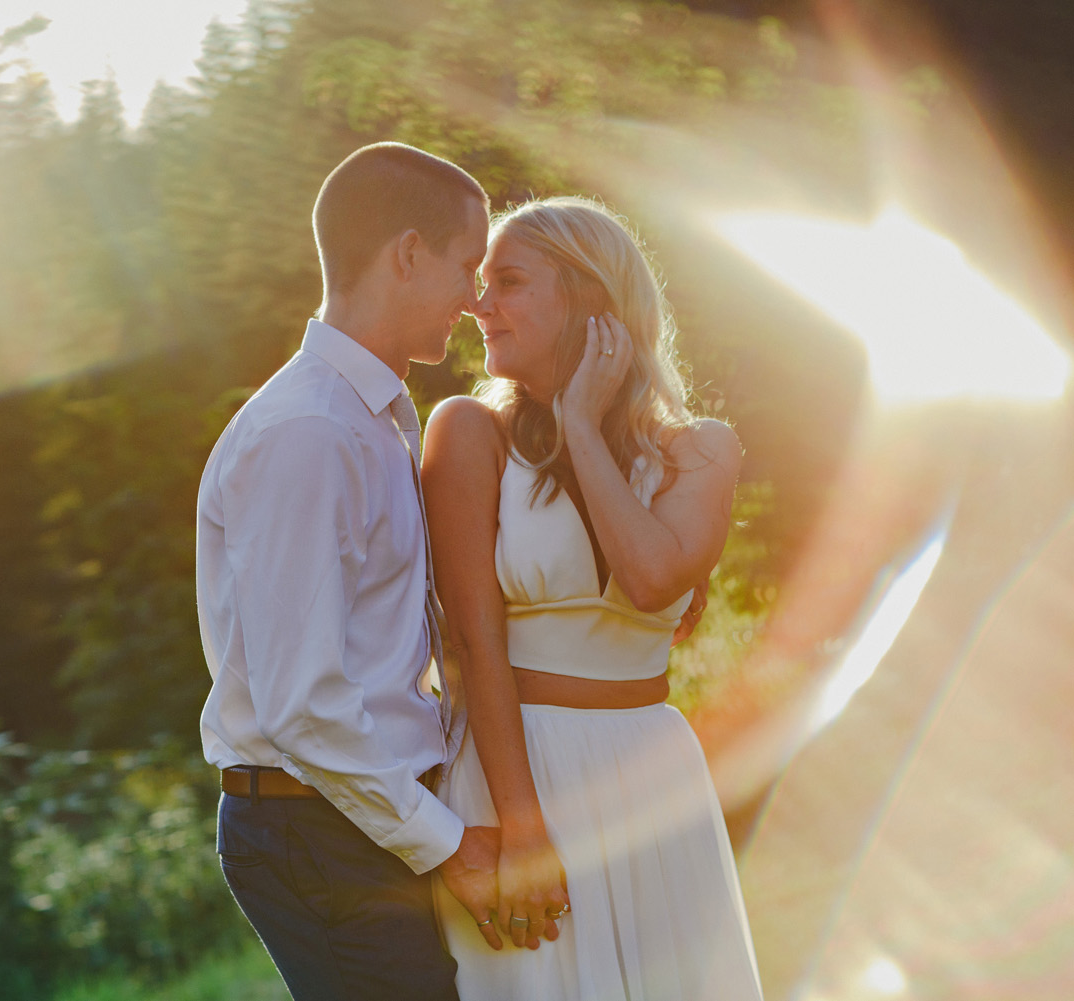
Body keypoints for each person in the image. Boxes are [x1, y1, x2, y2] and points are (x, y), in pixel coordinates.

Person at [195, 142, 521, 1001]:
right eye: (466, 266)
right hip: (315, 825)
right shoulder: (309, 433)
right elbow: (303, 703)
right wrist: (446, 840)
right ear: (408, 254)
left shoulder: (376, 417)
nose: (476, 298)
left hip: (349, 813)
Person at [423, 196, 764, 999]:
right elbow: (474, 647)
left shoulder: (702, 451)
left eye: (507, 281)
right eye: (479, 283)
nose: (480, 304)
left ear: (586, 298)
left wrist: (582, 419)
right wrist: (522, 828)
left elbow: (649, 577)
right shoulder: (467, 432)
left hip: (651, 773)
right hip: (519, 770)